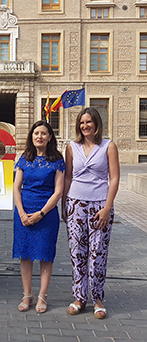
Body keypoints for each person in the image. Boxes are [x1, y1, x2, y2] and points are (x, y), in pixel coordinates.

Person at [62, 107, 119, 319]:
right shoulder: (71, 147)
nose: (85, 126)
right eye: (81, 123)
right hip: (75, 203)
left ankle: (97, 298)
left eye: (88, 122)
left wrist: (107, 207)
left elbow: (114, 178)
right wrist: (64, 204)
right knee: (77, 253)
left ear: (96, 123)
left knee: (97, 254)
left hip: (99, 206)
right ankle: (79, 297)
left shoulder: (108, 146)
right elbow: (68, 176)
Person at [13, 120, 65, 314]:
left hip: (47, 213)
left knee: (44, 254)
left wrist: (41, 213)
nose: (39, 137)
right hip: (23, 212)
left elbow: (58, 191)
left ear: (50, 137)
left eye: (43, 133)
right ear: (31, 137)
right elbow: (16, 188)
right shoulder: (24, 158)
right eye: (36, 133)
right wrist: (21, 213)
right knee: (25, 254)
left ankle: (42, 295)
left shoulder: (57, 160)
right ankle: (27, 294)